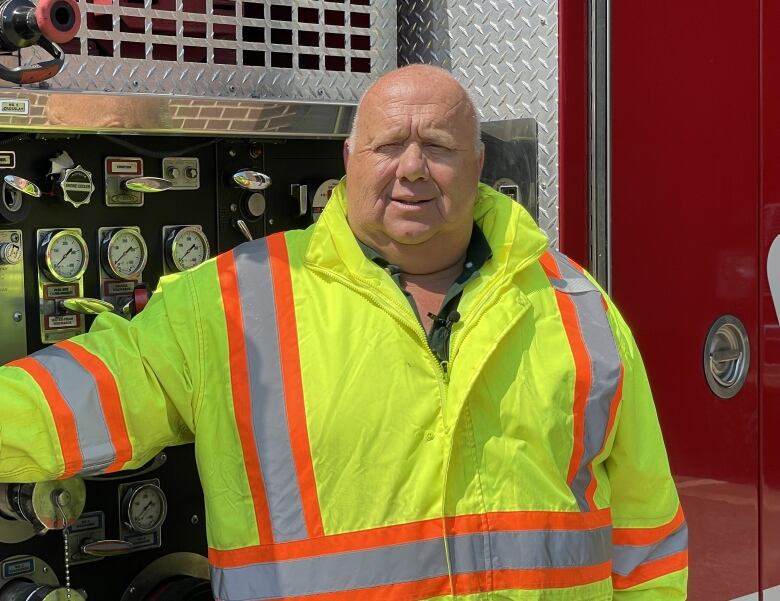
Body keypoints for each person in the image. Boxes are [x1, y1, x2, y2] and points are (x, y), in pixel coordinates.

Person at [0, 64, 687, 600]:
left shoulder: (576, 305)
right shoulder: (234, 303)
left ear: (479, 166)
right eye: (389, 144)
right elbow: (83, 395)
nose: (412, 167)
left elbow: (646, 530)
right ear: (348, 159)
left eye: (439, 147)